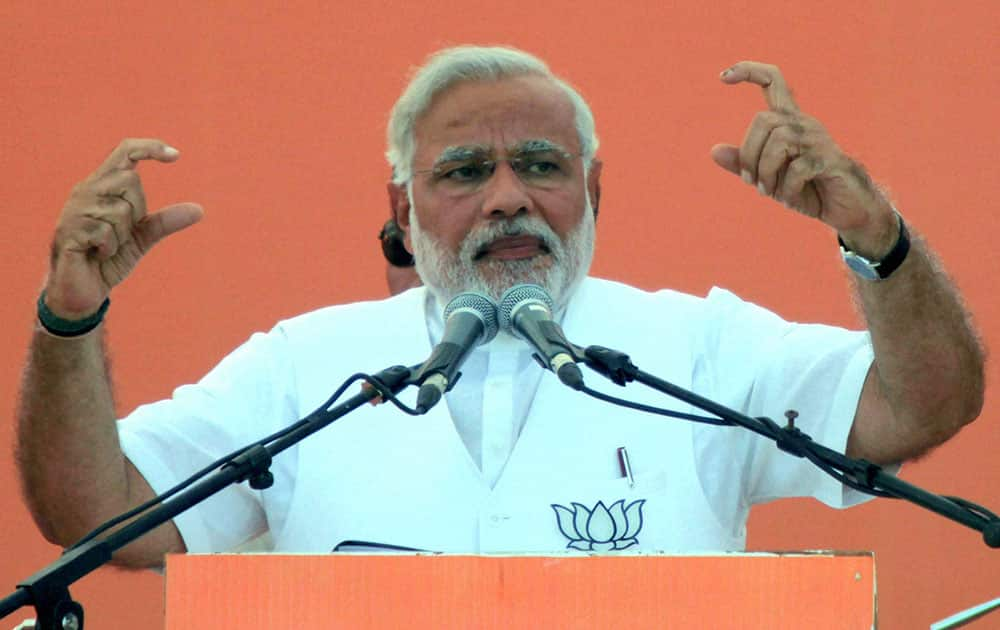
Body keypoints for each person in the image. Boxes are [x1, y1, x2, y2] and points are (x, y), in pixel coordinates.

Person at [16, 46, 984, 568]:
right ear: (404, 207)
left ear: (592, 194)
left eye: (540, 167)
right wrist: (70, 318)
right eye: (466, 170)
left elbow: (922, 403)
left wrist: (875, 234)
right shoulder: (306, 367)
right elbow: (100, 515)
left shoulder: (697, 345)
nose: (507, 198)